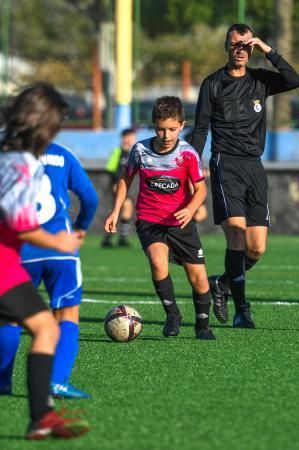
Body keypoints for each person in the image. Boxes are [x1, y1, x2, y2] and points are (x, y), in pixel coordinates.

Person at [191, 23, 299, 328]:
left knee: (256, 248)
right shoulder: (212, 83)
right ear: (227, 47)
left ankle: (221, 284)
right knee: (236, 237)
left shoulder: (260, 80)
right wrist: (190, 164)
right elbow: (200, 129)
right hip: (226, 165)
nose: (240, 49)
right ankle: (242, 310)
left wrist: (269, 51)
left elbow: (293, 79)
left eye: (246, 45)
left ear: (251, 48)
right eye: (235, 44)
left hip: (255, 166)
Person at [0, 82, 89, 439]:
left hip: (9, 264)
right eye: (55, 124)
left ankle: (42, 417)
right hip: (4, 265)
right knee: (48, 328)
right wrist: (58, 240)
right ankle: (41, 417)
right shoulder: (22, 162)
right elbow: (19, 224)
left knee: (38, 327)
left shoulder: (5, 153)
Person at [104, 96, 216, 340]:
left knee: (198, 278)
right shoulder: (140, 150)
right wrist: (115, 211)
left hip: (180, 223)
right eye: (161, 129)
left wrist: (190, 209)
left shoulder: (187, 154)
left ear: (182, 125)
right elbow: (125, 179)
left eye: (173, 129)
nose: (166, 135)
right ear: (154, 126)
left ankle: (202, 325)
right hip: (150, 220)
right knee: (157, 261)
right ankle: (173, 315)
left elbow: (201, 189)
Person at [20, 142, 98, 399]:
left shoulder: (6, 150)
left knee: (8, 315)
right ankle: (57, 381)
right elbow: (90, 198)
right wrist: (81, 227)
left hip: (18, 247)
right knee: (67, 312)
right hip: (59, 245)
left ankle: (2, 381)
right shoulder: (62, 154)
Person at [102, 128, 136, 248]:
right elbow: (111, 169)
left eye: (133, 137)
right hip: (118, 185)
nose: (132, 139)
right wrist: (115, 184)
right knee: (124, 207)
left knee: (125, 209)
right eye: (130, 137)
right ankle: (114, 237)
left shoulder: (132, 153)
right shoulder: (117, 152)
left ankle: (115, 237)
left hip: (126, 186)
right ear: (124, 138)